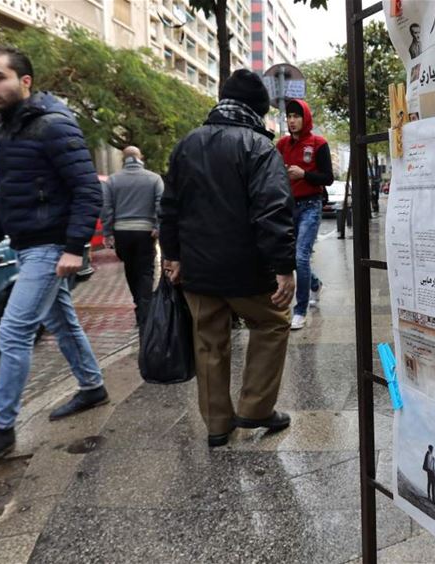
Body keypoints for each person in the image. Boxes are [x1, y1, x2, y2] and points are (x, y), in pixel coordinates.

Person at [0, 45, 106, 467]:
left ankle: (0, 429)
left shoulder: (53, 126)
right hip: (26, 246)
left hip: (51, 248)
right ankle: (92, 386)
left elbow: (87, 189)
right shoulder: (6, 133)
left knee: (14, 330)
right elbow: (5, 198)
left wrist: (76, 247)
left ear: (25, 81)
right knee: (62, 321)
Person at [160, 69, 295, 448]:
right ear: (257, 109)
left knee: (208, 342)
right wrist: (284, 267)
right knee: (271, 325)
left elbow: (168, 207)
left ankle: (218, 424)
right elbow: (273, 209)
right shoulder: (258, 146)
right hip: (248, 270)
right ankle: (255, 407)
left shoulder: (185, 145)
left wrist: (171, 255)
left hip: (197, 270)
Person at [276, 99, 334, 330]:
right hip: (289, 206)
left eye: (296, 116)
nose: (292, 121)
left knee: (301, 257)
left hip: (311, 205)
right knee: (294, 257)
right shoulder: (281, 145)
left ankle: (299, 311)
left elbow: (328, 177)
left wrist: (304, 174)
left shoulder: (318, 143)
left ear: (305, 118)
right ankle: (315, 284)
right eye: (289, 116)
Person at [102, 146, 163, 327]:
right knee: (145, 271)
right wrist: (158, 226)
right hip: (145, 231)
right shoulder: (154, 179)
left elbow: (106, 208)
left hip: (122, 232)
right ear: (140, 157)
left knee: (131, 269)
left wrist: (107, 232)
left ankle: (140, 305)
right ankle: (145, 311)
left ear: (123, 158)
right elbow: (161, 204)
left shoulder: (112, 181)